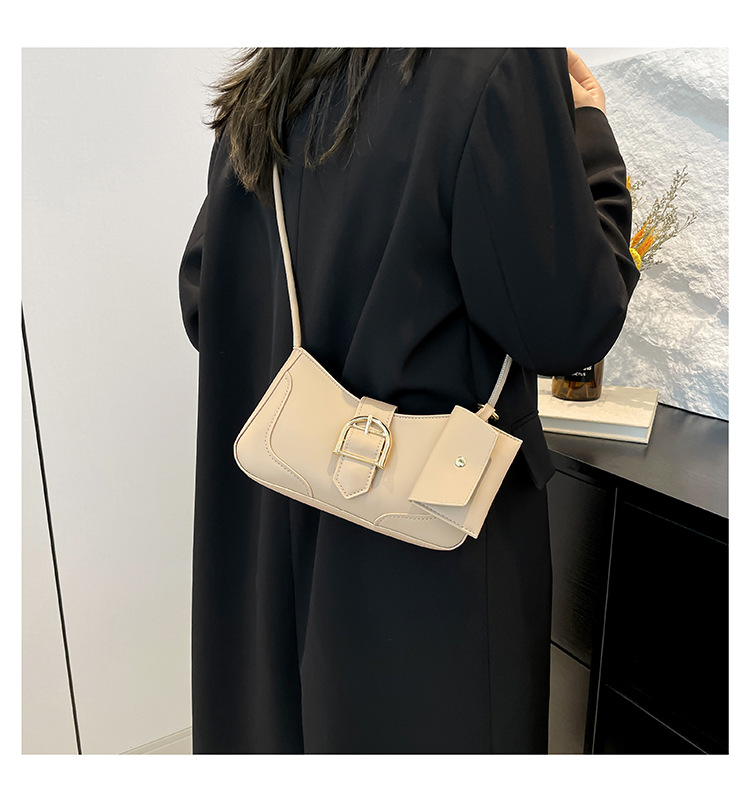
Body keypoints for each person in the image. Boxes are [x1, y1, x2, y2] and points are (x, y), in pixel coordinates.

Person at [179, 47, 639, 754]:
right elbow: (569, 325)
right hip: (430, 562)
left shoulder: (279, 72)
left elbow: (205, 303)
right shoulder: (497, 57)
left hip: (271, 533)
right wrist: (590, 130)